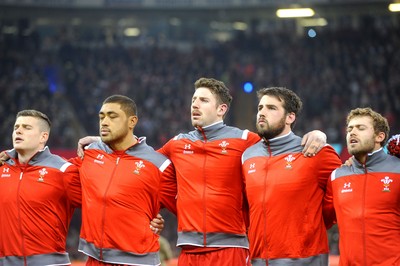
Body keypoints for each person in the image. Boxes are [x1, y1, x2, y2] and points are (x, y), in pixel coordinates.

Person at [78, 78, 327, 266]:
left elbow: (279, 144)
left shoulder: (246, 141)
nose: (195, 105)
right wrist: (102, 142)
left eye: (203, 100)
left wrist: (317, 134)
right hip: (188, 249)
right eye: (193, 100)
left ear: (222, 109)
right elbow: (137, 161)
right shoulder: (176, 144)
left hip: (231, 247)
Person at [70, 95, 177, 265]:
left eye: (112, 117)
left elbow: (188, 207)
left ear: (132, 121)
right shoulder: (89, 155)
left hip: (137, 261)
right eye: (101, 117)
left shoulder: (158, 165)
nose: (104, 122)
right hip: (94, 259)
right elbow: (52, 176)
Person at [241, 87, 342, 265]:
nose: (262, 113)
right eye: (260, 108)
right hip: (258, 259)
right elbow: (248, 207)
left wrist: (311, 224)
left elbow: (342, 195)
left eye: (271, 108)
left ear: (290, 117)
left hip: (305, 259)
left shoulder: (315, 151)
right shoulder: (247, 156)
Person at [0, 110, 81, 266]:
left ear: (43, 137)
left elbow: (98, 203)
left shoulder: (63, 170)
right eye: (16, 127)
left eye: (26, 127)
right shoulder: (2, 168)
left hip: (49, 263)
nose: (18, 130)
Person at [324, 107, 400, 265]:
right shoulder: (337, 176)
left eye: (361, 128)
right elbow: (321, 220)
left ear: (380, 136)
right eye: (349, 129)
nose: (352, 132)